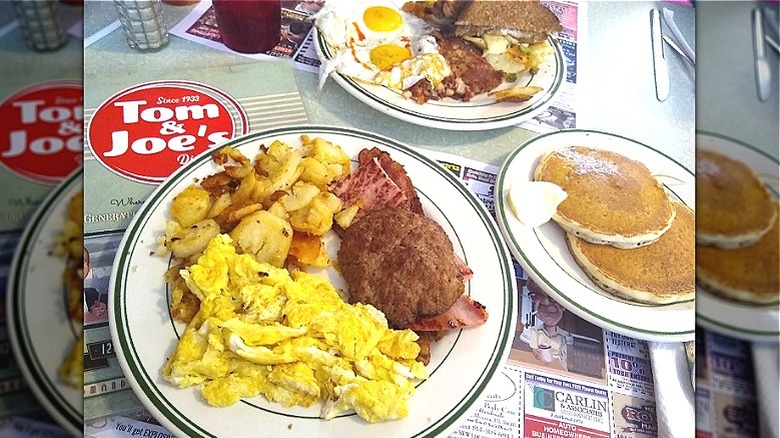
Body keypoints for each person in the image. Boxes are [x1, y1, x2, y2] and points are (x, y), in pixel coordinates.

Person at [526, 279, 573, 369]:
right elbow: (535, 351)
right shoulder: (535, 332)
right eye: (537, 298)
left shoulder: (566, 335)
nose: (547, 304)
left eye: (551, 298)